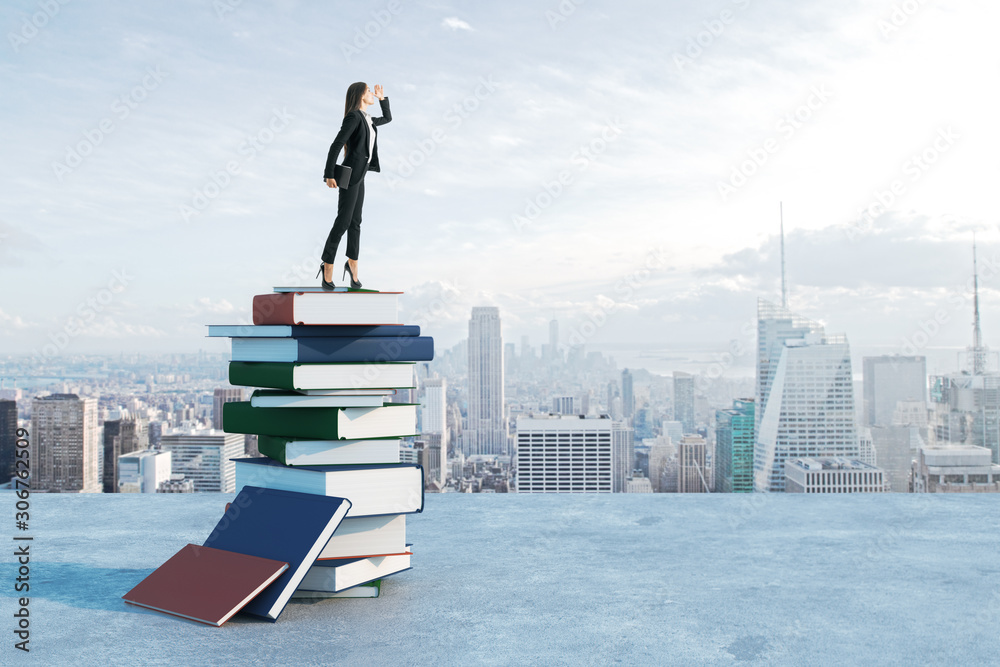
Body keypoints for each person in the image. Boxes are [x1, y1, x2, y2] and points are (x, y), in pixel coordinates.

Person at [318, 82, 391, 289]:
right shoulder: (353, 117)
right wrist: (329, 173)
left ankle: (352, 265)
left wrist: (382, 99)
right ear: (360, 95)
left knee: (356, 222)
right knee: (344, 220)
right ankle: (328, 264)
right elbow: (337, 144)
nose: (371, 94)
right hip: (350, 175)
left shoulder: (368, 119)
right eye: (368, 91)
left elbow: (388, 118)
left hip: (361, 175)